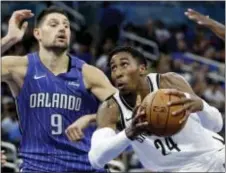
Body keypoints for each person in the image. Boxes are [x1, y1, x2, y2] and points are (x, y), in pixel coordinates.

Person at [2, 7, 116, 172]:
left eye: (66, 26)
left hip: (84, 167)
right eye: (53, 24)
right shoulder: (20, 67)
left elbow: (125, 108)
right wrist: (10, 39)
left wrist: (90, 118)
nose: (62, 28)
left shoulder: (88, 73)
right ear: (37, 33)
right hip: (37, 167)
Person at [88, 46, 225, 172]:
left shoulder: (168, 82)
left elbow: (217, 125)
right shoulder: (111, 108)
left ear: (142, 68)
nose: (118, 73)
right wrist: (129, 133)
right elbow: (96, 159)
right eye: (113, 68)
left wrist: (202, 106)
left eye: (124, 64)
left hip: (213, 158)